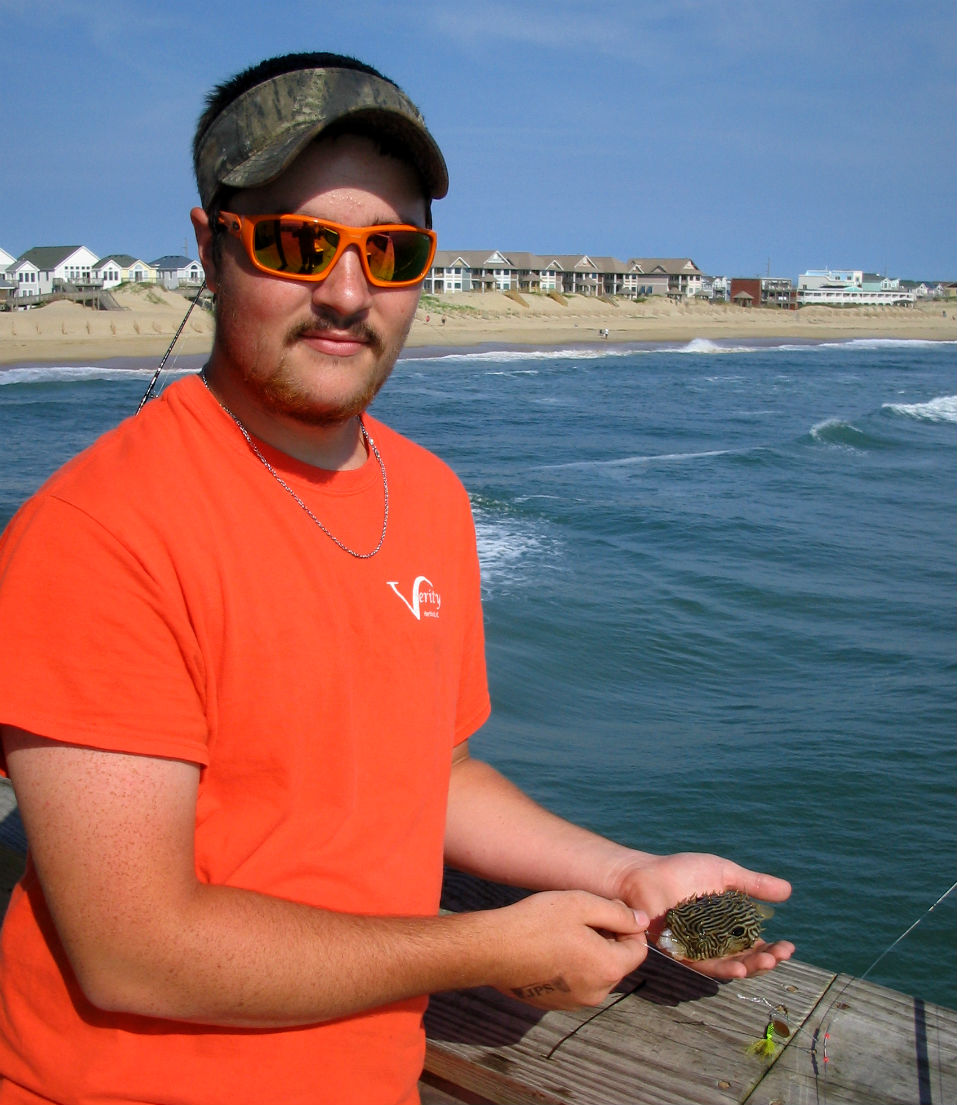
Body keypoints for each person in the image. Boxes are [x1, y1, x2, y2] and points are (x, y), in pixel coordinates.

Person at [0, 52, 793, 1105]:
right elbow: (133, 947)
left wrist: (618, 873)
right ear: (210, 248)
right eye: (297, 242)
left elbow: (435, 772)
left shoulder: (426, 496)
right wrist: (486, 946)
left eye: (391, 250)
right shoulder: (100, 533)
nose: (344, 292)